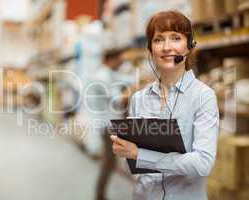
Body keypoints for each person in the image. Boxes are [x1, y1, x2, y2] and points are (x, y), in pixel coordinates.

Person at [110, 10, 219, 200]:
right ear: (150, 49)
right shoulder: (138, 99)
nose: (167, 47)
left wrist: (140, 154)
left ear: (189, 46)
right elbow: (136, 165)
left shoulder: (203, 97)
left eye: (176, 38)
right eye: (159, 40)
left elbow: (202, 163)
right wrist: (125, 149)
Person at [86, 48, 134, 200]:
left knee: (110, 161)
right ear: (110, 60)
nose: (120, 63)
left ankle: (100, 195)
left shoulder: (109, 73)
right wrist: (134, 92)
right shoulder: (102, 76)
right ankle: (99, 195)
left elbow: (125, 78)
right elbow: (118, 99)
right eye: (119, 60)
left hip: (111, 124)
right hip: (107, 125)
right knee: (108, 162)